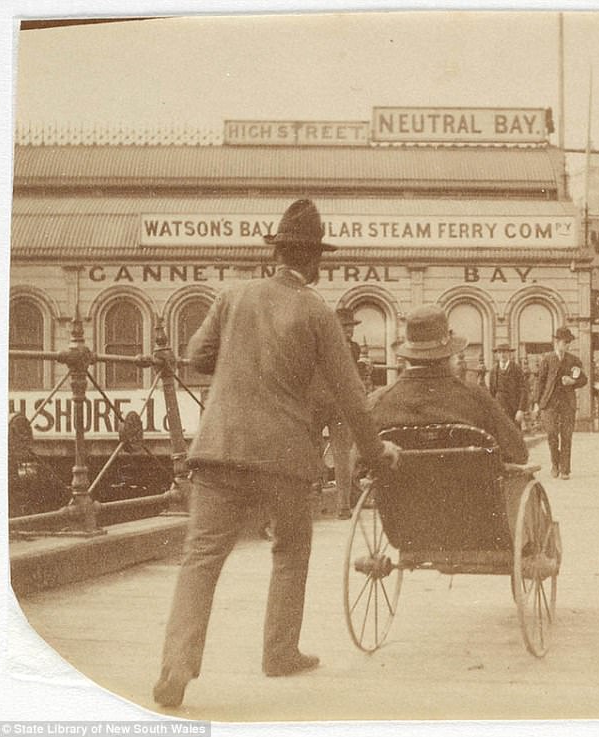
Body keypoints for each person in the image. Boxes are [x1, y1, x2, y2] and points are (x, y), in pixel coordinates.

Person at [152, 199, 399, 708]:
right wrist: (376, 454)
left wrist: (237, 366)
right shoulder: (316, 312)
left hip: (219, 449)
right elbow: (351, 397)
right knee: (290, 552)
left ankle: (177, 666)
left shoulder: (231, 296)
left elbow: (197, 358)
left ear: (275, 253)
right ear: (314, 262)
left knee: (200, 560)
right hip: (286, 459)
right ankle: (279, 652)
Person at [368, 305, 527, 466]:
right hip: (466, 490)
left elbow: (358, 464)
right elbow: (518, 453)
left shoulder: (378, 402)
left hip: (398, 490)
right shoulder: (477, 398)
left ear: (406, 356)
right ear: (450, 354)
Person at [532, 326, 588, 479]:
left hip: (567, 403)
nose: (567, 345)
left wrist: (573, 381)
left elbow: (584, 379)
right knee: (551, 434)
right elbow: (540, 382)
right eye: (565, 342)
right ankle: (555, 464)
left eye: (569, 342)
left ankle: (565, 470)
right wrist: (537, 403)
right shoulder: (547, 359)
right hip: (549, 403)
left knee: (566, 436)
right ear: (556, 342)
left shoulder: (574, 360)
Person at [330, 306, 364, 520]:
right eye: (345, 327)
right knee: (337, 454)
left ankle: (343, 506)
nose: (349, 330)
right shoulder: (343, 348)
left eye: (351, 326)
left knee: (342, 455)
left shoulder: (353, 348)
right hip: (327, 403)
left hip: (336, 406)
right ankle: (341, 503)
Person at [488, 343, 528, 427]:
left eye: (505, 352)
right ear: (497, 355)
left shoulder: (516, 369)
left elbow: (523, 390)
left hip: (514, 408)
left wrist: (521, 410)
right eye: (500, 352)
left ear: (509, 353)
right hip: (499, 408)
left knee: (515, 434)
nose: (502, 355)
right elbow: (492, 392)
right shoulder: (493, 371)